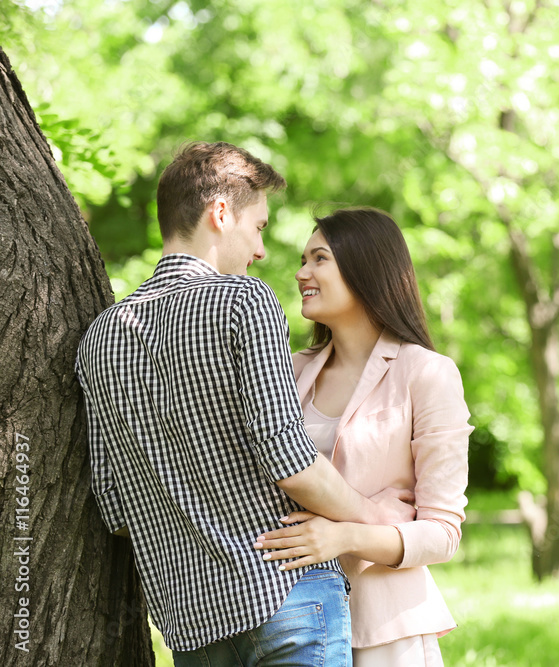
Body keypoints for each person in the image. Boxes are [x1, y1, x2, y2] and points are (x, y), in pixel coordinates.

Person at [75, 143, 413, 666]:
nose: (260, 251)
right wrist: (374, 522)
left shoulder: (100, 338)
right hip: (283, 596)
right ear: (220, 213)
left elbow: (115, 503)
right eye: (258, 227)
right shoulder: (244, 301)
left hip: (190, 627)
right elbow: (288, 460)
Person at [253, 207, 473, 667]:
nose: (300, 273)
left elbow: (442, 533)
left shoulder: (427, 374)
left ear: (365, 266)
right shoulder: (287, 372)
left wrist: (345, 536)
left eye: (319, 259)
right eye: (303, 259)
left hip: (383, 628)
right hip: (285, 618)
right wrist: (385, 512)